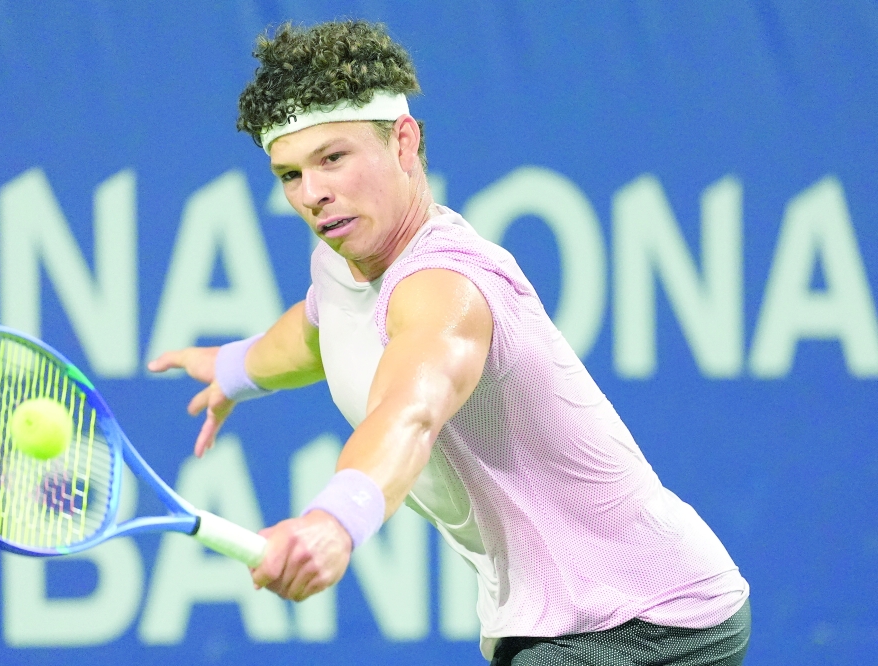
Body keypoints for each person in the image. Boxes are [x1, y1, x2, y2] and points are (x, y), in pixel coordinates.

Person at [148, 19, 751, 665]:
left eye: (333, 158)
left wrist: (334, 520)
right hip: (558, 616)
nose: (314, 193)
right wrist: (236, 367)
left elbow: (410, 411)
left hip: (645, 620)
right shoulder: (344, 261)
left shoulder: (444, 286)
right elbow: (316, 331)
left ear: (403, 141)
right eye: (290, 174)